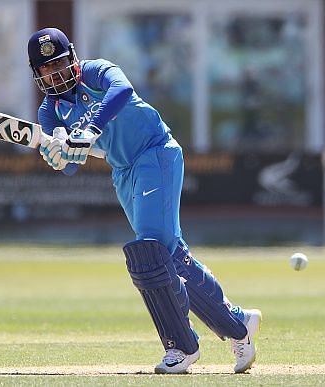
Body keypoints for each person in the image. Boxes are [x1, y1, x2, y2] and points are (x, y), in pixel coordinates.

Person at [27, 27, 262, 374]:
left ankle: (182, 347)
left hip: (156, 153)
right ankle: (238, 324)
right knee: (169, 255)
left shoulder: (97, 71)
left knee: (150, 251)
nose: (54, 73)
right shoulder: (50, 112)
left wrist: (90, 128)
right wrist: (59, 155)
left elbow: (122, 91)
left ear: (73, 58)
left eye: (59, 63)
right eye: (45, 69)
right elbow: (69, 165)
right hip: (123, 172)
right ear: (37, 74)